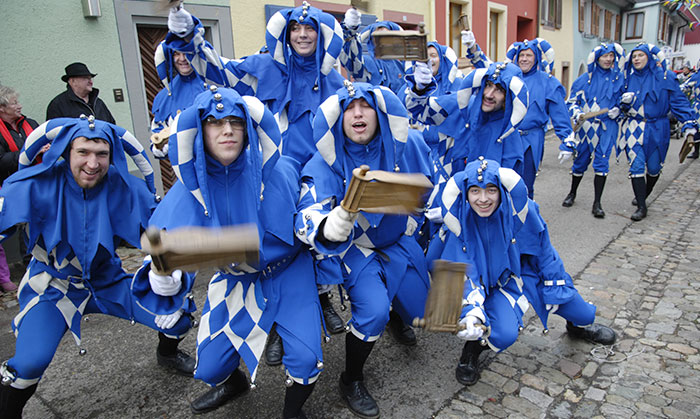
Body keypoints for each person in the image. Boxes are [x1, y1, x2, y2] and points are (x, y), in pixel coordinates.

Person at [166, 2, 348, 350]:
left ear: (320, 34)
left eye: (309, 29)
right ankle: (276, 326)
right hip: (273, 169)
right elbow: (219, 72)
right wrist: (189, 35)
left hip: (315, 170)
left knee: (318, 232)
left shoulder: (333, 77)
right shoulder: (263, 66)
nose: (303, 34)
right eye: (295, 28)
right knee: (276, 241)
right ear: (285, 33)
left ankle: (321, 298)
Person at [132, 87, 322, 417]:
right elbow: (166, 251)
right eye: (215, 123)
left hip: (290, 273)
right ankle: (233, 382)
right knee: (209, 368)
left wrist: (321, 224)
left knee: (306, 361)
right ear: (200, 131)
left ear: (248, 127)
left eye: (236, 121)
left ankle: (293, 412)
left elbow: (309, 209)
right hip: (236, 281)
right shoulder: (186, 191)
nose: (228, 130)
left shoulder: (281, 168)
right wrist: (167, 279)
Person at [0, 116, 193, 418]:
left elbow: (158, 234)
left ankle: (166, 353)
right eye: (83, 152)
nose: (93, 163)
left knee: (178, 312)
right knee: (28, 364)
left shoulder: (124, 186)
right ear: (66, 151)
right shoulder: (34, 184)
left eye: (101, 154)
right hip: (53, 288)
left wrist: (172, 273)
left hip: (109, 281)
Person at [295, 81, 431, 418]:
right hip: (356, 249)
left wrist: (418, 214)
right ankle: (351, 378)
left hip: (400, 240)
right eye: (349, 108)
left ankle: (399, 314)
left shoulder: (407, 142)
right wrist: (329, 225)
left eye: (365, 106)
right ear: (339, 118)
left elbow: (431, 183)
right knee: (372, 312)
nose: (357, 113)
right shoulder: (326, 158)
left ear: (379, 112)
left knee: (429, 313)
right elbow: (307, 213)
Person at [427, 158, 530, 387]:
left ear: (501, 191)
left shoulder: (522, 213)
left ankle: (577, 322)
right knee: (457, 310)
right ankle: (470, 352)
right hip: (463, 280)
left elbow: (543, 252)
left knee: (505, 334)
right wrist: (472, 312)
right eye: (475, 191)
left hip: (505, 279)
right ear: (466, 193)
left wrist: (557, 286)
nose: (483, 199)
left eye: (491, 190)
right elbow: (461, 269)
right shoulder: (459, 223)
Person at [462, 32, 576, 198]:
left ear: (536, 58)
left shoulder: (547, 82)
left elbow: (560, 114)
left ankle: (524, 217)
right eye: (521, 55)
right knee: (492, 181)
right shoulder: (507, 77)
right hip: (502, 136)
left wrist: (566, 140)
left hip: (531, 140)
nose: (524, 59)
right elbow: (487, 69)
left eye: (529, 55)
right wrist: (473, 47)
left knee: (523, 184)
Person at [406, 60, 529, 208]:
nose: (489, 95)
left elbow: (508, 195)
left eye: (499, 90)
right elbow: (420, 111)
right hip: (439, 197)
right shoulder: (459, 104)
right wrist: (419, 89)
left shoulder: (509, 136)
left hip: (479, 214)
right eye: (488, 85)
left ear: (509, 96)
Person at [618, 43, 697, 221]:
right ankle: (642, 206)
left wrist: (688, 124)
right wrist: (622, 105)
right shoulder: (626, 79)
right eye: (634, 56)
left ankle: (643, 195)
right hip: (634, 126)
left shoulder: (665, 77)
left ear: (649, 57)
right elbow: (617, 102)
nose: (636, 59)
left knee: (653, 168)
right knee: (636, 167)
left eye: (640, 55)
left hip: (657, 128)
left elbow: (679, 102)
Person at [564, 43, 626, 218]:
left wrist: (619, 110)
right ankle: (572, 192)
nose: (608, 59)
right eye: (604, 56)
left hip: (608, 127)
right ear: (597, 58)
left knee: (602, 161)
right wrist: (577, 113)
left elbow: (625, 102)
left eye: (611, 56)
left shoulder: (619, 79)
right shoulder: (584, 79)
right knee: (581, 161)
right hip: (587, 126)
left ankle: (597, 202)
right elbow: (572, 102)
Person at [0, 85, 43, 287]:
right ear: (2, 108)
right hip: (10, 186)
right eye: (14, 103)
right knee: (19, 226)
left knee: (38, 223)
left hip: (37, 183)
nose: (20, 106)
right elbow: (2, 160)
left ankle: (41, 263)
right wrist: (30, 152)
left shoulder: (30, 123)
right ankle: (26, 270)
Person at [339, 8, 407, 95]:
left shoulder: (402, 64)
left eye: (387, 36)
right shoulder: (367, 61)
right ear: (372, 40)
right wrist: (350, 31)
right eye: (378, 36)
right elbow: (351, 63)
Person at [46, 63, 116, 124]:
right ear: (72, 81)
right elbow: (53, 133)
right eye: (86, 78)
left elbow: (112, 126)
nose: (91, 82)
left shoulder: (99, 103)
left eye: (90, 78)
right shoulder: (58, 105)